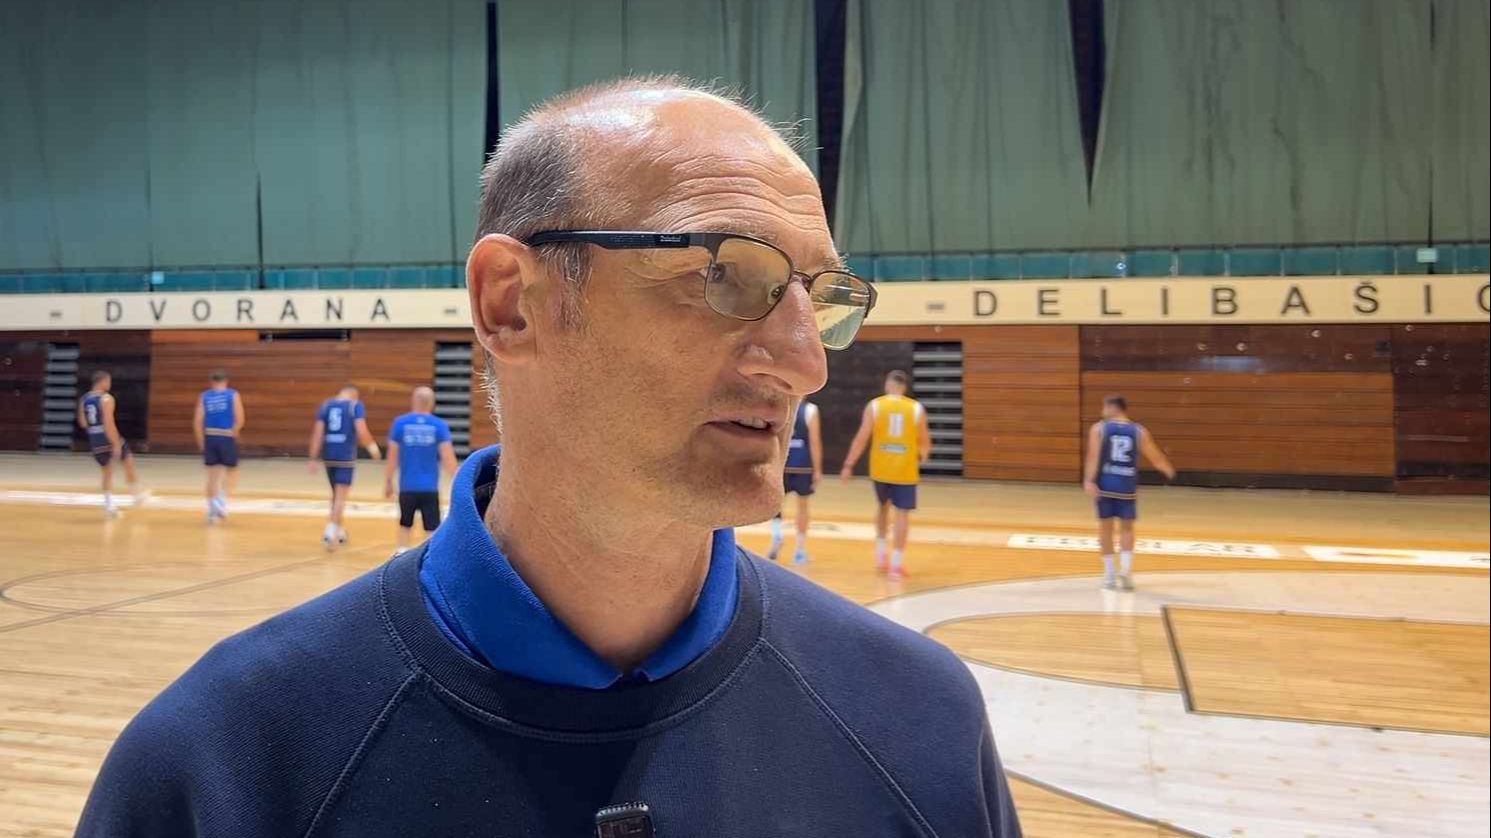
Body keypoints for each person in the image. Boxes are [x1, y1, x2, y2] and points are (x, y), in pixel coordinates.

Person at [78, 77, 1020, 837]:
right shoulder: (227, 762)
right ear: (511, 304)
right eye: (726, 274)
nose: (807, 363)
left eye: (825, 297)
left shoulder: (918, 716)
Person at [839, 370, 929, 582]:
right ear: (904, 387)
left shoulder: (875, 406)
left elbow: (862, 437)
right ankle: (896, 564)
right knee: (902, 514)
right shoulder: (916, 408)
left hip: (880, 469)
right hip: (905, 470)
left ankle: (880, 554)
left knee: (882, 507)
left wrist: (848, 464)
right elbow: (924, 443)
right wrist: (921, 457)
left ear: (888, 385)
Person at [1083, 394, 1176, 591]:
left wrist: (1089, 480)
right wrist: (1169, 470)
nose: (1102, 411)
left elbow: (1093, 456)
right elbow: (1155, 457)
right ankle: (1125, 572)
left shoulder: (1099, 429)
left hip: (1105, 484)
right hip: (1126, 485)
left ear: (1112, 408)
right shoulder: (1139, 431)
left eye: (1104, 407)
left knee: (1105, 528)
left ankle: (1109, 575)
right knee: (1127, 528)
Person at [384, 386, 458, 556]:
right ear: (431, 403)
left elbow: (392, 457)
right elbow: (448, 458)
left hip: (407, 487)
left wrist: (388, 481)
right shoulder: (439, 426)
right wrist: (458, 479)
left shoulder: (400, 423)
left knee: (405, 524)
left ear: (414, 401)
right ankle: (430, 560)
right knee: (432, 530)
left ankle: (401, 553)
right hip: (429, 488)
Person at [306, 385, 380, 550]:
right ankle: (330, 531)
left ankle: (339, 531)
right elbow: (361, 429)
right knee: (340, 497)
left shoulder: (326, 405)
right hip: (345, 456)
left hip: (329, 455)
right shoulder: (354, 405)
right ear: (354, 395)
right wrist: (372, 448)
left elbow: (318, 432)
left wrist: (312, 457)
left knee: (336, 495)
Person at [77, 370, 147, 518]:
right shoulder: (107, 399)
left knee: (106, 472)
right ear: (102, 381)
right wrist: (115, 443)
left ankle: (109, 506)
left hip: (94, 437)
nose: (109, 384)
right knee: (128, 460)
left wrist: (95, 431)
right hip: (107, 436)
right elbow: (109, 423)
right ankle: (136, 494)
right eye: (108, 381)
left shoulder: (84, 399)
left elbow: (83, 422)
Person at [766, 399, 821, 564]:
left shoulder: (781, 406)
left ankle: (777, 535)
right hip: (803, 465)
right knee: (803, 506)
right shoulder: (810, 410)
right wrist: (817, 469)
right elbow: (815, 442)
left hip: (782, 463)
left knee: (776, 504)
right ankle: (799, 551)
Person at [192, 370, 244, 524]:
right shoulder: (232, 395)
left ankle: (212, 511)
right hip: (226, 436)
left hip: (210, 436)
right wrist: (235, 432)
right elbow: (240, 419)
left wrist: (201, 441)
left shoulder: (204, 396)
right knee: (233, 471)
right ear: (226, 381)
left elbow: (197, 421)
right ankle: (220, 501)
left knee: (212, 476)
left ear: (211, 382)